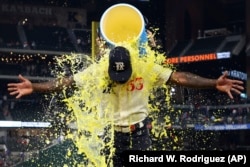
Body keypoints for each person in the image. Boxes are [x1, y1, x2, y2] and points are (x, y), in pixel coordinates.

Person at [7, 46, 244, 166]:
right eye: (115, 76)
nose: (120, 80)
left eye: (125, 76)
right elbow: (66, 83)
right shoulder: (97, 71)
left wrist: (214, 83)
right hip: (111, 134)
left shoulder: (144, 67)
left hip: (140, 131)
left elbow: (180, 77)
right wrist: (35, 87)